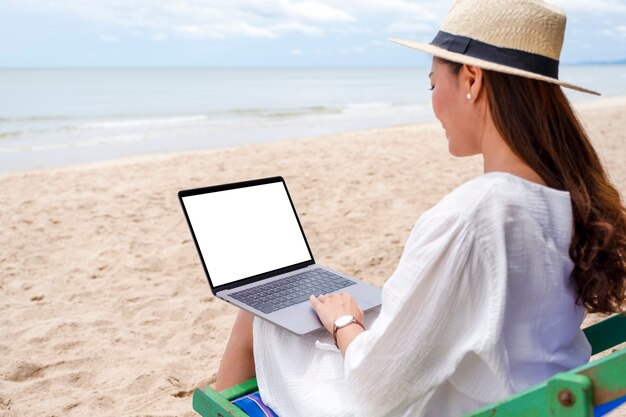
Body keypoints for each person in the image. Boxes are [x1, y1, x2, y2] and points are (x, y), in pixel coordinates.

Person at [214, 0, 626, 416]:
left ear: (471, 79)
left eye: (432, 84)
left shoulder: (475, 215)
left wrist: (344, 323)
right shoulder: (570, 199)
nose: (432, 102)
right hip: (519, 397)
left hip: (436, 407)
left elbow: (375, 389)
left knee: (258, 320)